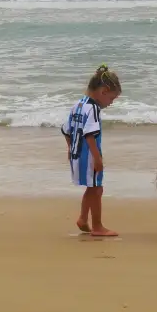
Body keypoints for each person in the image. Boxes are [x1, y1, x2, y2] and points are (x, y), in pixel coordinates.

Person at [61, 64, 122, 237]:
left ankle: (83, 219)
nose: (110, 103)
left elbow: (66, 130)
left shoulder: (78, 105)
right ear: (103, 91)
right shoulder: (93, 108)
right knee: (97, 188)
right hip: (88, 156)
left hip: (77, 154)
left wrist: (70, 149)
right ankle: (97, 226)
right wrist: (97, 158)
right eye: (112, 99)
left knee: (93, 187)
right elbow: (90, 135)